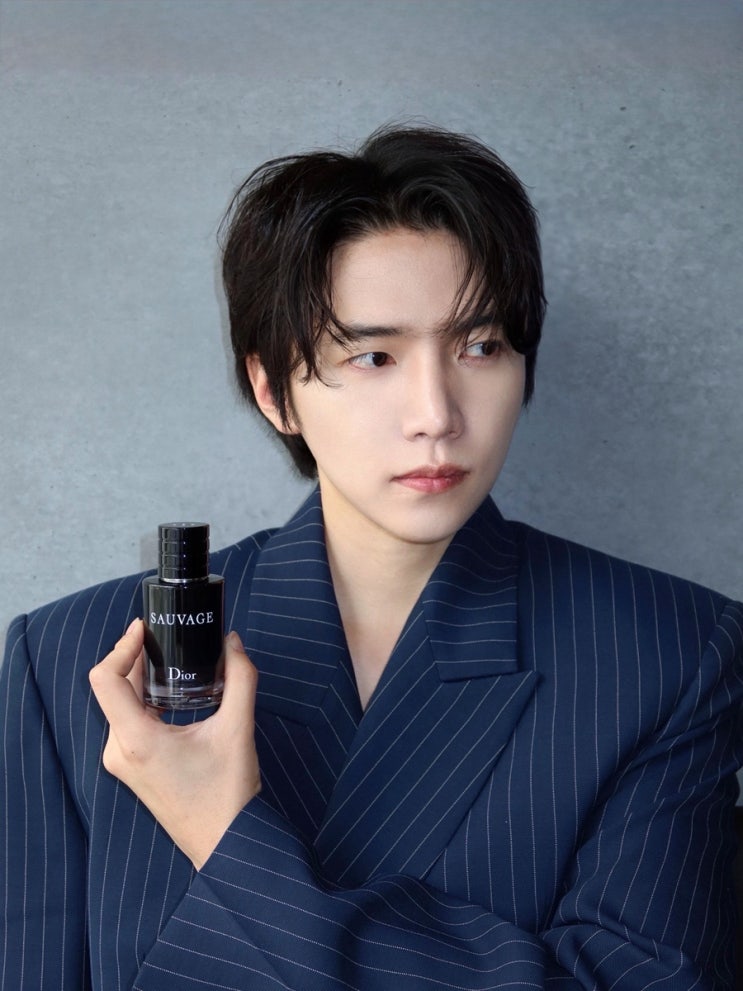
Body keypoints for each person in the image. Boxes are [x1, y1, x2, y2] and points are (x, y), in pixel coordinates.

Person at [2, 124, 741, 991]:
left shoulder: (668, 654)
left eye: (480, 346)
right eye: (373, 356)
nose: (436, 413)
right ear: (274, 391)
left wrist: (225, 836)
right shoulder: (67, 661)